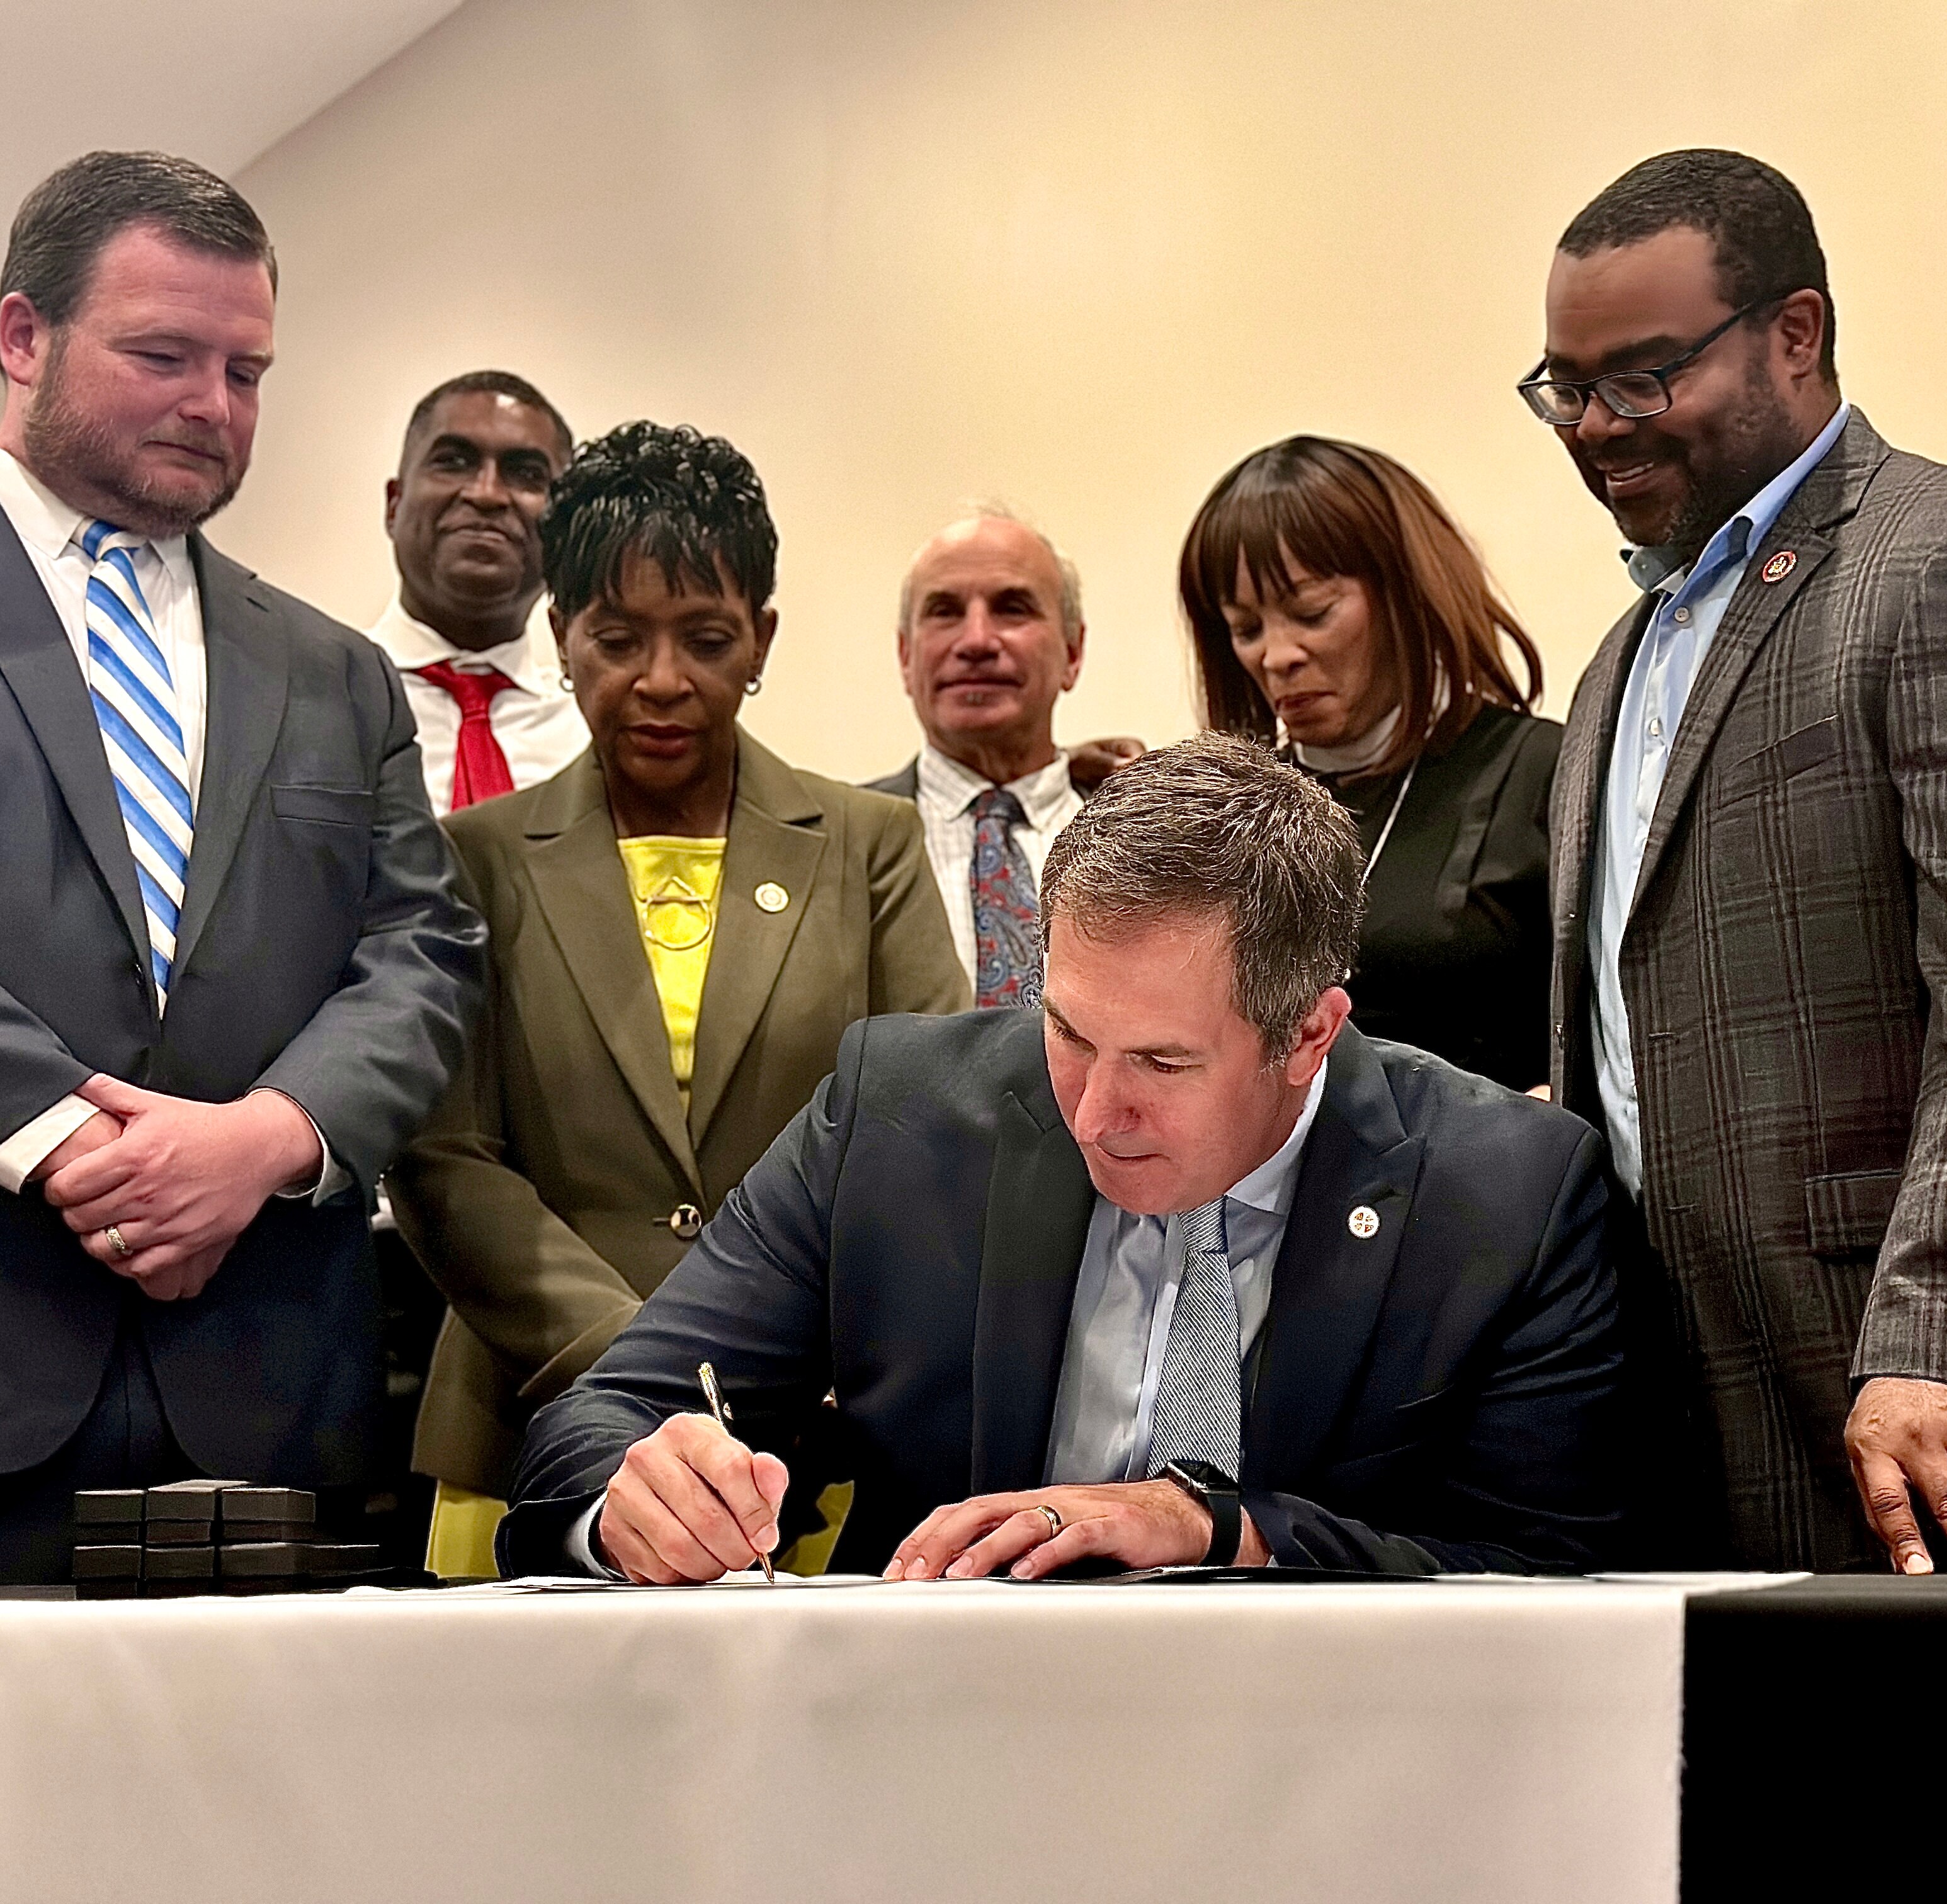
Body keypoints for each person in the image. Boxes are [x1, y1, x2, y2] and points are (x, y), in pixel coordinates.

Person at [0, 150, 484, 1585]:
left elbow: (424, 949)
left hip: (268, 1404)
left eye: (248, 371)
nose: (213, 406)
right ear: (22, 337)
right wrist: (79, 1149)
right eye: (164, 354)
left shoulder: (333, 671)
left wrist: (267, 1140)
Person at [501, 732, 1631, 1583]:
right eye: (1069, 1033)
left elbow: (1547, 1567)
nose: (1094, 1109)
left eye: (1161, 1062)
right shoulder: (894, 1117)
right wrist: (631, 1499)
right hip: (944, 1763)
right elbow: (603, 1416)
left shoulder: (1505, 1193)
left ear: (1308, 1034)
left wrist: (1222, 1529)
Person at [1531, 150, 1947, 1573]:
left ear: (1794, 333)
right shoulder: (1625, 653)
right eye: (1563, 384)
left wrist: (1940, 1334)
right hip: (1657, 1409)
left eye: (1642, 375)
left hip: (1909, 1407)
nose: (1594, 425)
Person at [390, 422, 967, 1577]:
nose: (660, 679)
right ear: (560, 635)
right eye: (616, 637)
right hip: (527, 1427)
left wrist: (776, 1364)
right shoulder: (475, 856)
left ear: (760, 638)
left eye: (705, 638)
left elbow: (932, 1126)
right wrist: (640, 1371)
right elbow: (444, 1158)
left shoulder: (869, 847)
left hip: (804, 1444)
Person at [1179, 436, 1558, 1089]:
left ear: (1408, 596)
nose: (1276, 655)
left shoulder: (1542, 770)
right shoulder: (1226, 806)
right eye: (1246, 629)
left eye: (1311, 613)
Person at [865, 510, 1141, 1006]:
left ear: (1073, 652)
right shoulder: (844, 846)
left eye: (1012, 608)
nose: (976, 641)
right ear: (906, 656)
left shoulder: (1148, 835)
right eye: (945, 611)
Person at [367, 370, 593, 817]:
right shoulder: (314, 704)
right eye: (453, 462)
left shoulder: (598, 734)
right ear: (394, 505)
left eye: (526, 474)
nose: (487, 494)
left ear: (564, 530)